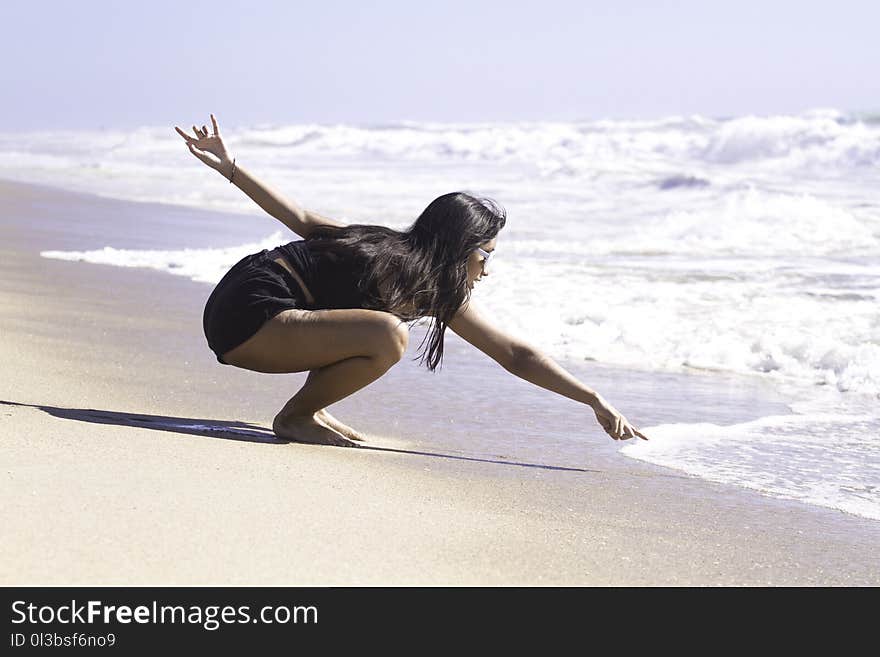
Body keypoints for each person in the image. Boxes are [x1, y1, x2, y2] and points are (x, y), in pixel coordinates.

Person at [175, 114, 648, 447]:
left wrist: (592, 399)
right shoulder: (383, 248)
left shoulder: (436, 288)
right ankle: (295, 417)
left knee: (374, 330)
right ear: (460, 247)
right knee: (387, 333)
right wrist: (229, 166)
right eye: (485, 254)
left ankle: (308, 410)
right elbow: (298, 216)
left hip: (247, 313)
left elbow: (515, 354)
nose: (488, 268)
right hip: (251, 311)